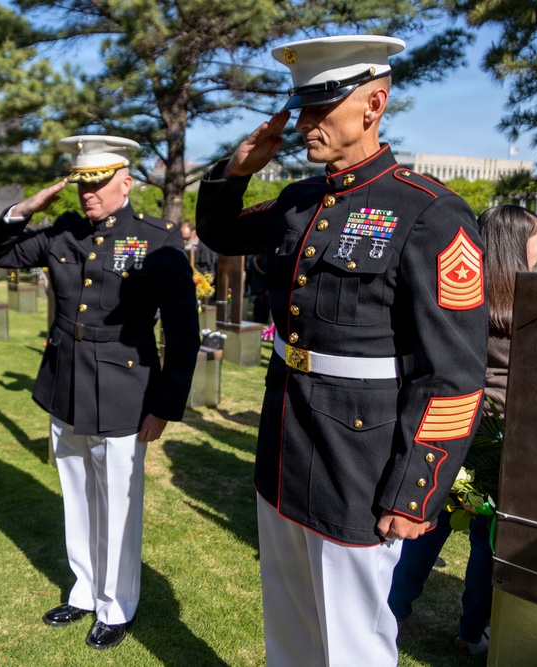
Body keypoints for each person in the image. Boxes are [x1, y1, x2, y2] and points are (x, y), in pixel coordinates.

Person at [196, 36, 489, 666]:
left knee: (353, 642)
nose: (303, 122)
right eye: (300, 106)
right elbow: (221, 231)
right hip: (287, 438)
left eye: (319, 107)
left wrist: (418, 490)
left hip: (361, 459)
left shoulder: (430, 213)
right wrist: (235, 169)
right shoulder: (304, 201)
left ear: (373, 104)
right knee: (291, 626)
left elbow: (454, 373)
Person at [0, 135, 200, 650]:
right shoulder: (64, 230)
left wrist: (166, 405)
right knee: (76, 492)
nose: (88, 193)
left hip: (124, 385)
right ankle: (84, 591)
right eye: (81, 183)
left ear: (126, 181)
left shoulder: (158, 238)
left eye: (98, 182)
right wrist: (26, 207)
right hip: (66, 380)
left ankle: (117, 604)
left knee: (118, 502)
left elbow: (183, 330)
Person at [388, 205, 537, 656]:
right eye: (536, 241)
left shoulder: (456, 291)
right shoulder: (533, 302)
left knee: (426, 524)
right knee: (486, 539)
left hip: (449, 423)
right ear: (518, 244)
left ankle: (391, 613)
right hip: (503, 434)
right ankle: (472, 633)